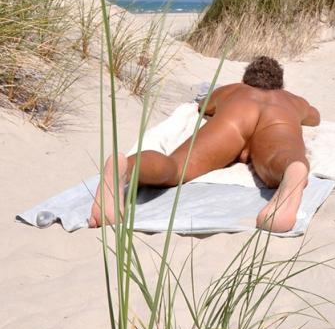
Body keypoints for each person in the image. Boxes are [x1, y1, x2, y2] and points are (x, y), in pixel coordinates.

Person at [88, 56, 320, 233]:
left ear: (245, 80)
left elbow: (204, 106)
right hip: (278, 120)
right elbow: (315, 117)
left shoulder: (234, 89)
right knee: (282, 158)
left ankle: (126, 167)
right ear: (280, 86)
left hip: (235, 120)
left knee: (175, 167)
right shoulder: (292, 99)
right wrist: (299, 109)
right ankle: (293, 170)